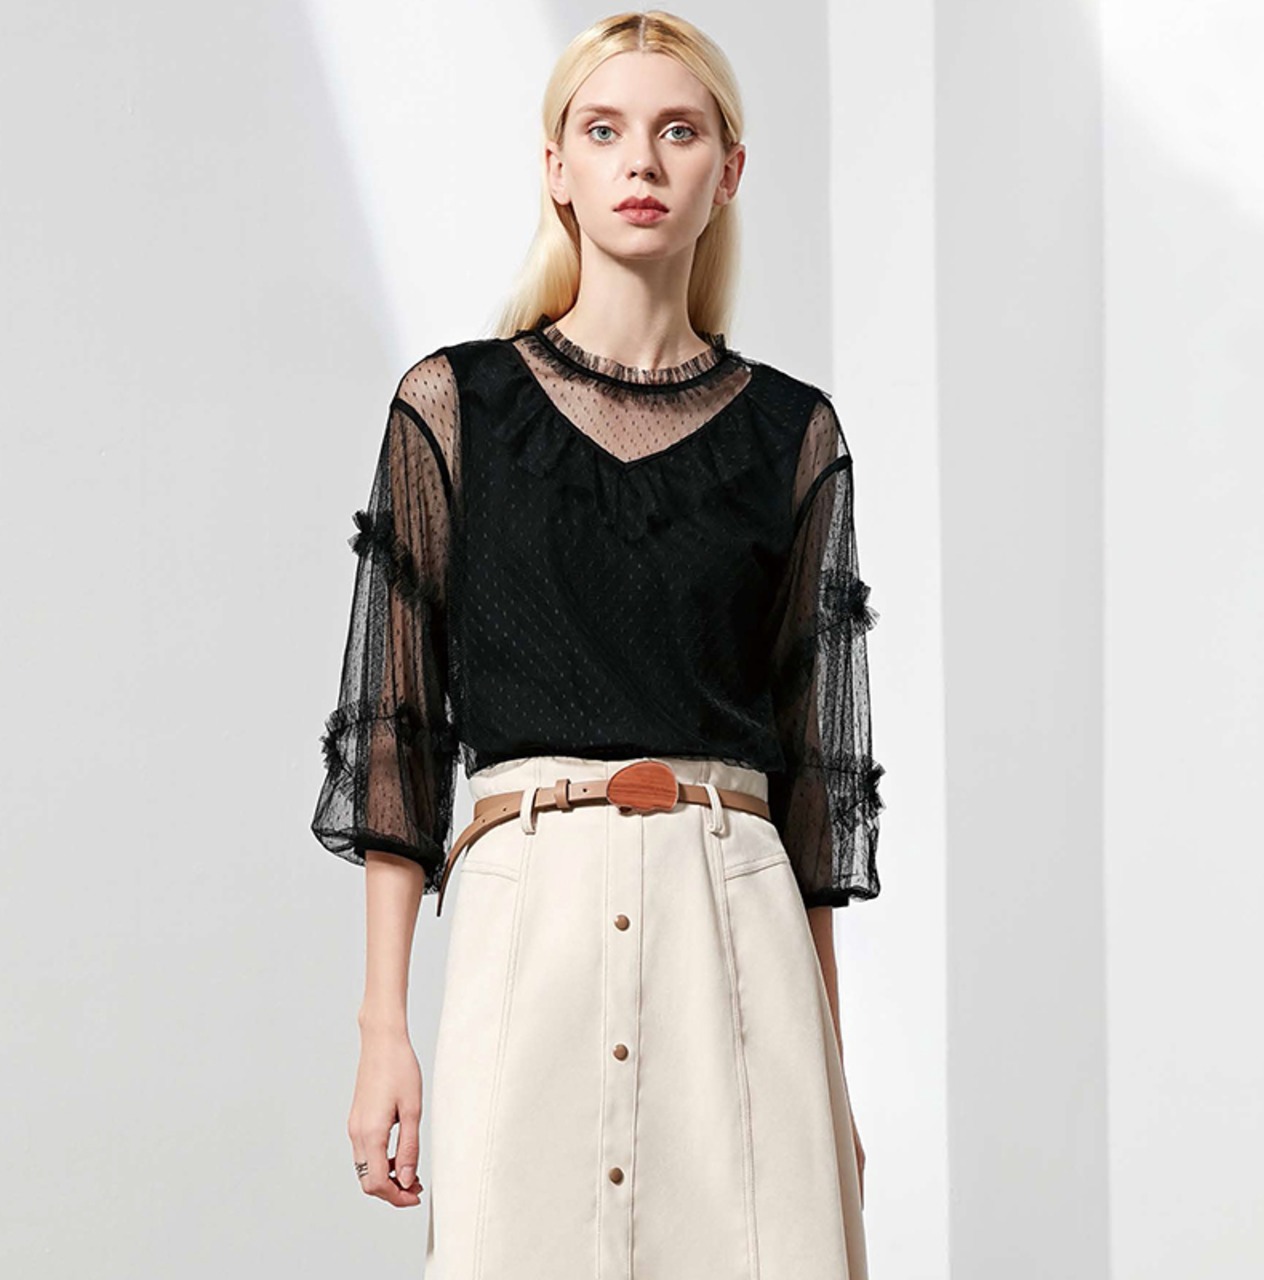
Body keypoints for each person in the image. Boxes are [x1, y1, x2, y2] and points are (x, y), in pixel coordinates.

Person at [310, 11, 885, 1278]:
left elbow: (813, 788)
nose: (641, 161)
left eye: (677, 131)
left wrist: (832, 1080)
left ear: (726, 170)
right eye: (604, 129)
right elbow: (397, 733)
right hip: (531, 922)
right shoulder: (453, 408)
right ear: (555, 167)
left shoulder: (794, 436)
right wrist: (382, 1028)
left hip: (736, 935)